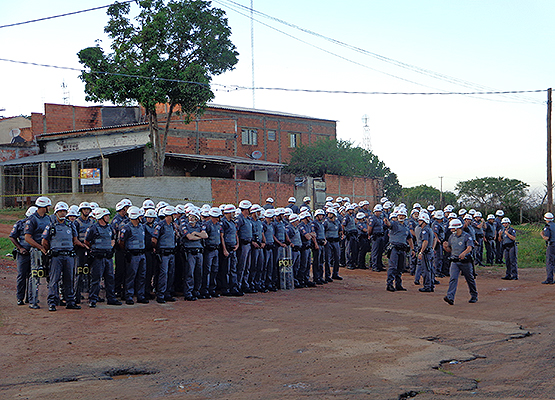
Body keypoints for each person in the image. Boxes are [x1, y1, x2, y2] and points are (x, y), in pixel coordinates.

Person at [41, 201, 83, 311]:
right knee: (54, 280)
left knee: (69, 279)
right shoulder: (51, 226)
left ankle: (70, 301)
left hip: (68, 256)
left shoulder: (70, 225)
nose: (63, 213)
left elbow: (75, 240)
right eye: (60, 211)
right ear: (56, 213)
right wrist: (50, 250)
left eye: (64, 211)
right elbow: (44, 241)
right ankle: (52, 302)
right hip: (56, 257)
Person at [84, 208, 122, 307]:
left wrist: (110, 248)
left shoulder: (110, 227)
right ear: (101, 217)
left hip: (108, 257)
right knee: (96, 279)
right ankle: (93, 299)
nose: (108, 217)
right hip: (98, 257)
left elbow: (113, 238)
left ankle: (111, 298)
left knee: (110, 278)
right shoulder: (93, 228)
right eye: (106, 216)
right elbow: (87, 241)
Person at [24, 196, 52, 309]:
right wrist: (40, 247)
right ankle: (33, 301)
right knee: (35, 275)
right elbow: (27, 238)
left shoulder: (48, 218)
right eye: (48, 206)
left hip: (47, 250)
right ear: (43, 206)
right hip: (36, 251)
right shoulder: (32, 219)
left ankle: (52, 300)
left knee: (50, 275)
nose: (49, 208)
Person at [443, 219, 478, 305]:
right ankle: (450, 296)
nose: (451, 230)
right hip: (454, 261)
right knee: (453, 278)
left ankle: (474, 295)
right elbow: (450, 249)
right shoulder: (451, 237)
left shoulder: (466, 236)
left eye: (452, 229)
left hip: (465, 262)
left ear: (457, 228)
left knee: (469, 278)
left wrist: (464, 253)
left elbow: (469, 247)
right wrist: (445, 248)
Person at [119, 206, 149, 305]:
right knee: (131, 276)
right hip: (132, 255)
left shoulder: (141, 227)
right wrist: (127, 252)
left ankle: (141, 295)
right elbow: (121, 242)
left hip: (142, 254)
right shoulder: (126, 228)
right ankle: (129, 296)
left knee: (142, 276)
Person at [9, 206, 37, 305]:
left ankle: (31, 298)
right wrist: (20, 248)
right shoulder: (20, 223)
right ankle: (20, 298)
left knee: (33, 276)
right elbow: (12, 237)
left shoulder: (38, 223)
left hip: (35, 253)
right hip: (23, 254)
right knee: (22, 275)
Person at [152, 206, 179, 303]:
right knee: (164, 274)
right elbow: (154, 239)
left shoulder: (172, 225)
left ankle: (168, 293)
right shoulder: (160, 225)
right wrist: (157, 248)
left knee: (171, 274)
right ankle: (161, 294)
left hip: (171, 252)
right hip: (163, 254)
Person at [180, 208, 207, 300]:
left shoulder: (199, 226)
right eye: (190, 216)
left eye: (193, 217)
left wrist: (195, 233)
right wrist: (199, 235)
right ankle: (188, 293)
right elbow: (190, 237)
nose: (191, 218)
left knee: (199, 273)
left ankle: (196, 291)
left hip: (199, 252)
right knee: (189, 273)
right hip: (190, 252)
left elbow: (205, 235)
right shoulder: (184, 226)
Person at [384, 209, 414, 292]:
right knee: (393, 267)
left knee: (400, 268)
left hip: (402, 249)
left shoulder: (406, 227)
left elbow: (409, 239)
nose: (401, 216)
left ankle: (398, 284)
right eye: (400, 215)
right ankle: (389, 284)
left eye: (403, 215)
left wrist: (413, 249)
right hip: (394, 248)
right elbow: (389, 224)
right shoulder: (394, 224)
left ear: (405, 217)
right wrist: (386, 221)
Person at [73, 202, 94, 304]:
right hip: (80, 250)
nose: (86, 211)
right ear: (81, 211)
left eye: (88, 209)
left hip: (90, 249)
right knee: (79, 273)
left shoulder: (92, 222)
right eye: (84, 209)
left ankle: (92, 296)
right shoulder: (76, 223)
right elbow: (74, 238)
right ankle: (76, 295)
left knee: (91, 273)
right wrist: (83, 245)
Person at [415, 212, 435, 293]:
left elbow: (425, 241)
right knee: (430, 269)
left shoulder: (425, 230)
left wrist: (421, 252)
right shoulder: (429, 229)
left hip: (426, 252)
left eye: (420, 220)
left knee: (426, 269)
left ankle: (427, 286)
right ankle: (431, 285)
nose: (419, 222)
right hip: (429, 251)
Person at [324, 208, 343, 281]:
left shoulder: (337, 222)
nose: (329, 215)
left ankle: (335, 273)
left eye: (330, 214)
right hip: (329, 241)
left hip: (336, 241)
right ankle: (327, 275)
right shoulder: (326, 223)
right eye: (328, 213)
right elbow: (323, 232)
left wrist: (340, 236)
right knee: (327, 259)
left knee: (337, 258)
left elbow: (340, 230)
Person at [369, 204, 386, 272]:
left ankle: (379, 265)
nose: (379, 213)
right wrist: (370, 235)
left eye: (380, 211)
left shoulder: (380, 218)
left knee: (380, 251)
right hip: (375, 236)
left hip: (381, 236)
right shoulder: (373, 218)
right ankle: (374, 266)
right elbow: (370, 228)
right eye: (377, 211)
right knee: (375, 251)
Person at [541, 212, 555, 284]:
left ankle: (550, 279)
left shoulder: (547, 226)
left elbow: (547, 238)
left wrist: (542, 235)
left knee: (549, 262)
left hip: (551, 245)